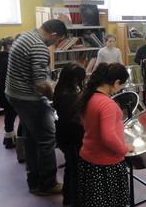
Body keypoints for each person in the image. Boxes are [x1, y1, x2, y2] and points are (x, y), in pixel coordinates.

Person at [6, 19, 67, 195]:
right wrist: (55, 100)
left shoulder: (25, 36)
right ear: (53, 34)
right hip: (29, 99)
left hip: (14, 94)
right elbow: (41, 84)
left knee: (31, 138)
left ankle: (34, 182)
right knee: (47, 138)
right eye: (57, 41)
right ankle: (47, 184)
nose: (55, 44)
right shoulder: (39, 46)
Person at [73, 62, 134, 207]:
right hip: (106, 162)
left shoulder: (88, 96)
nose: (120, 89)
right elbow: (108, 137)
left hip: (89, 157)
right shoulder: (107, 103)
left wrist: (117, 125)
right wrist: (125, 149)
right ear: (116, 82)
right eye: (121, 85)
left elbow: (85, 122)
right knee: (110, 202)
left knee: (94, 201)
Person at [53, 62, 86, 207]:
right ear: (74, 79)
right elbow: (69, 120)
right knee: (76, 171)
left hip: (65, 137)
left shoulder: (62, 90)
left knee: (71, 169)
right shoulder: (68, 96)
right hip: (71, 139)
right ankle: (75, 201)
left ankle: (68, 198)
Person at [0, 36, 18, 149]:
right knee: (10, 115)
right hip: (8, 89)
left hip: (2, 88)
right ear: (9, 46)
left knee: (9, 115)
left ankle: (8, 138)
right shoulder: (7, 59)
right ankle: (10, 140)